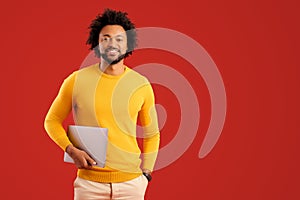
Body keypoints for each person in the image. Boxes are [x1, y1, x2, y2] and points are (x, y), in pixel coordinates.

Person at [44, 8, 160, 200]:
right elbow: (51, 120)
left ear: (128, 44)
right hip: (89, 184)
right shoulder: (76, 80)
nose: (112, 44)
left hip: (131, 185)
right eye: (105, 38)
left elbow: (152, 134)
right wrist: (70, 150)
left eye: (119, 39)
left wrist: (146, 173)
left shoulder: (141, 84)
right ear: (97, 43)